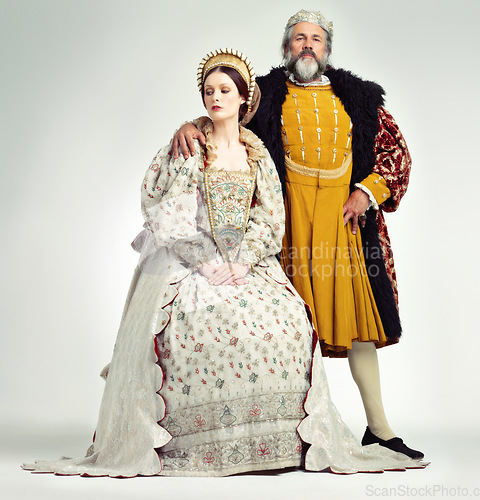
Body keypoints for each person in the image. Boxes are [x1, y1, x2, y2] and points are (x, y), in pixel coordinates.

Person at [23, 49, 425, 478]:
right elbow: (167, 209)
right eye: (209, 91)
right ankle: (197, 442)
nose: (216, 98)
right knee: (199, 324)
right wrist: (204, 257)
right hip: (194, 255)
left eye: (225, 90)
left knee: (301, 320)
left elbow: (271, 216)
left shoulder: (273, 144)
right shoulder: (205, 136)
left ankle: (310, 437)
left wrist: (246, 259)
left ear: (243, 98)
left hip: (281, 244)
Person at [171, 10, 424, 460]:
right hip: (287, 227)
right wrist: (191, 126)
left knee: (359, 329)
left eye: (316, 39)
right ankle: (301, 430)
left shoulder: (360, 99)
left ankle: (379, 428)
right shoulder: (265, 95)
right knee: (291, 328)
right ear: (287, 47)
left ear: (327, 49)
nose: (308, 45)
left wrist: (366, 193)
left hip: (342, 226)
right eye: (299, 39)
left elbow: (396, 154)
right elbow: (225, 113)